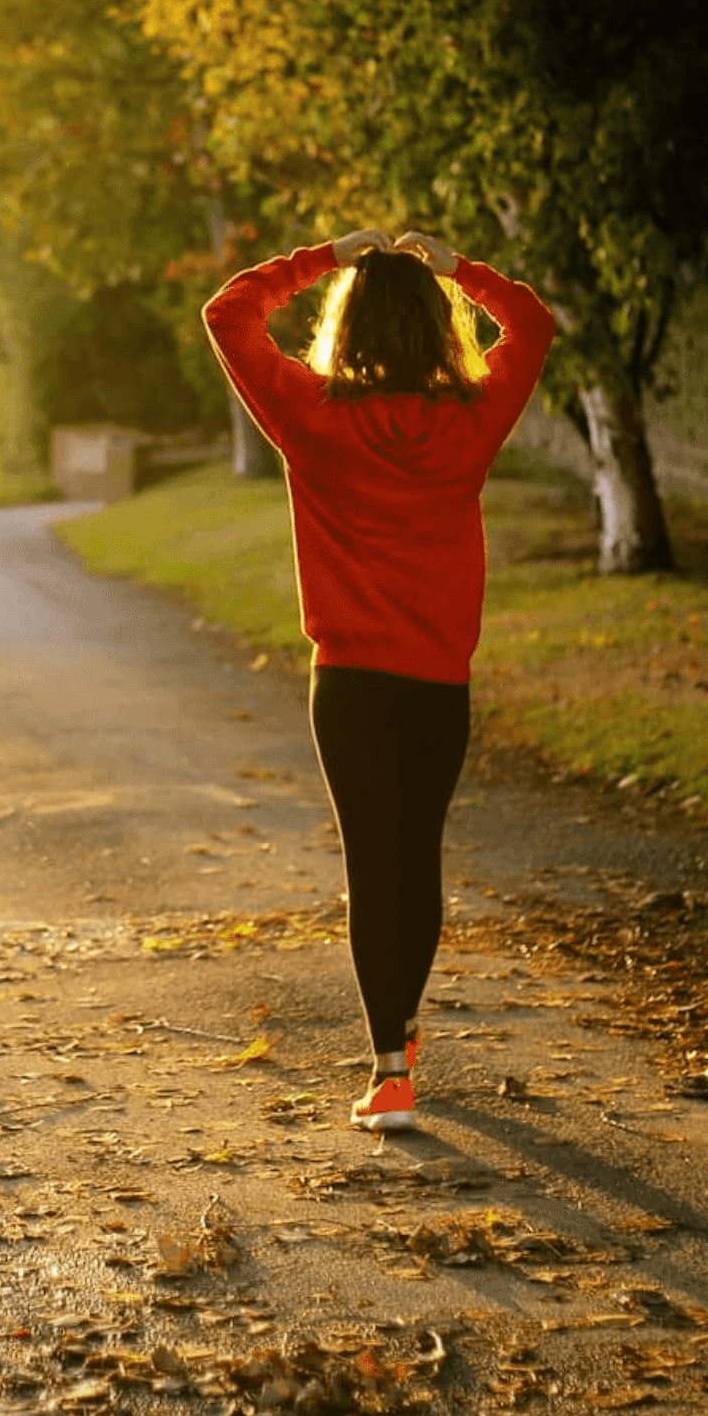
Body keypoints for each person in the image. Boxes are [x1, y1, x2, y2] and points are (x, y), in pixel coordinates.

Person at [203, 227, 555, 1132]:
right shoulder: (472, 419)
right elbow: (533, 323)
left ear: (347, 328)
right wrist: (458, 270)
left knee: (373, 863)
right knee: (418, 857)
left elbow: (229, 313)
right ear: (439, 329)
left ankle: (390, 1068)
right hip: (438, 680)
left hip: (351, 681)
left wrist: (324, 256)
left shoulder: (310, 415)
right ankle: (398, 1032)